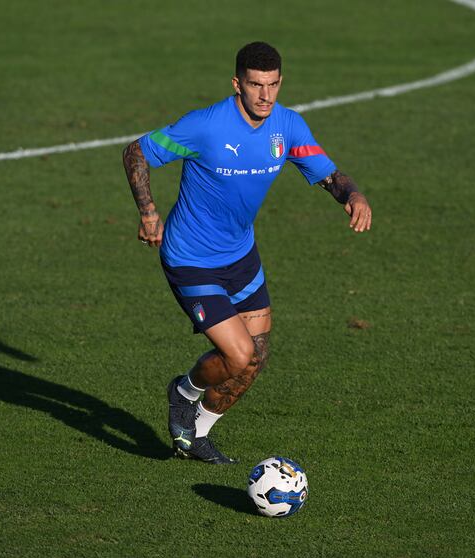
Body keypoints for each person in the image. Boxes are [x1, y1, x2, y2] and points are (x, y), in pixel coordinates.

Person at [122, 41, 372, 464]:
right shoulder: (206, 126)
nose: (265, 96)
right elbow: (137, 152)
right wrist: (149, 213)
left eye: (273, 85)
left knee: (256, 358)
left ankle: (196, 434)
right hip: (191, 257)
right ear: (237, 84)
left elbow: (329, 175)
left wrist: (354, 196)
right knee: (236, 354)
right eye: (256, 85)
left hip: (241, 257)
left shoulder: (287, 128)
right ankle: (183, 391)